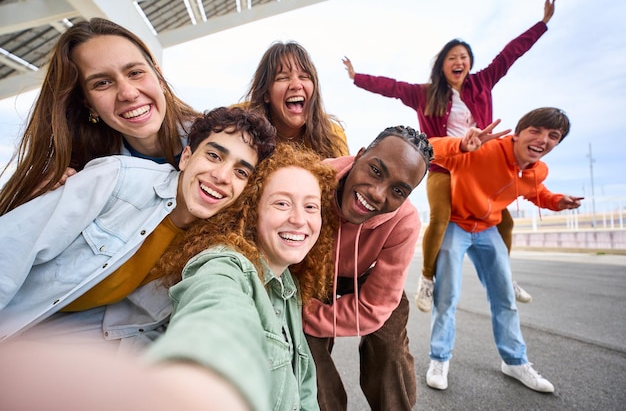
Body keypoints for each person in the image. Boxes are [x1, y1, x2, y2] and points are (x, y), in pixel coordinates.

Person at [342, 0, 558, 310]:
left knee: (505, 222)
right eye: (453, 57)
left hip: (482, 168)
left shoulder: (482, 82)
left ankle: (506, 277)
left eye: (464, 57)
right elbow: (391, 86)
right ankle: (427, 280)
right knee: (440, 217)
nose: (459, 62)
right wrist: (356, 78)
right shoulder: (424, 94)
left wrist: (542, 24)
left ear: (469, 64)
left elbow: (510, 54)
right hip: (445, 164)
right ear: (443, 65)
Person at [0, 106, 276, 350]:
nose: (221, 176)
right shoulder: (118, 179)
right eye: (214, 156)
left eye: (241, 172)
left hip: (54, 352)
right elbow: (10, 247)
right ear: (186, 158)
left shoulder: (207, 247)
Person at [145, 143, 339, 411]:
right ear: (251, 211)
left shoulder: (289, 285)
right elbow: (216, 316)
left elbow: (303, 389)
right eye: (282, 203)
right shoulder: (225, 265)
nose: (298, 219)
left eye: (311, 207)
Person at [425, 107, 583, 393]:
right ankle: (439, 359)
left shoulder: (538, 170)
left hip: (487, 229)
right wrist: (460, 144)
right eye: (535, 131)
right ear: (519, 133)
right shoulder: (484, 150)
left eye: (553, 136)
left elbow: (536, 192)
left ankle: (514, 361)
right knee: (447, 295)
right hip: (457, 225)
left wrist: (558, 201)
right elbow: (430, 149)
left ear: (557, 143)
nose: (542, 139)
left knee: (505, 297)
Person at [0, 17, 201, 216]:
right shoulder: (85, 174)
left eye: (135, 72)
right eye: (102, 83)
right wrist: (37, 203)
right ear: (89, 104)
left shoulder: (219, 138)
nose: (128, 93)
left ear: (159, 78)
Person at [303, 126, 434, 411]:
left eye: (398, 190)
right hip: (312, 270)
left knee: (390, 348)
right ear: (360, 156)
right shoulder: (313, 179)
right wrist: (304, 314)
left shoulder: (405, 222)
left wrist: (317, 315)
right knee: (307, 348)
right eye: (375, 171)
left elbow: (376, 305)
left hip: (367, 275)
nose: (376, 194)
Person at [241, 40, 349, 158]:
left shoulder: (332, 135)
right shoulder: (239, 123)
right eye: (283, 78)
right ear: (266, 94)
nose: (296, 85)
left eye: (304, 77)